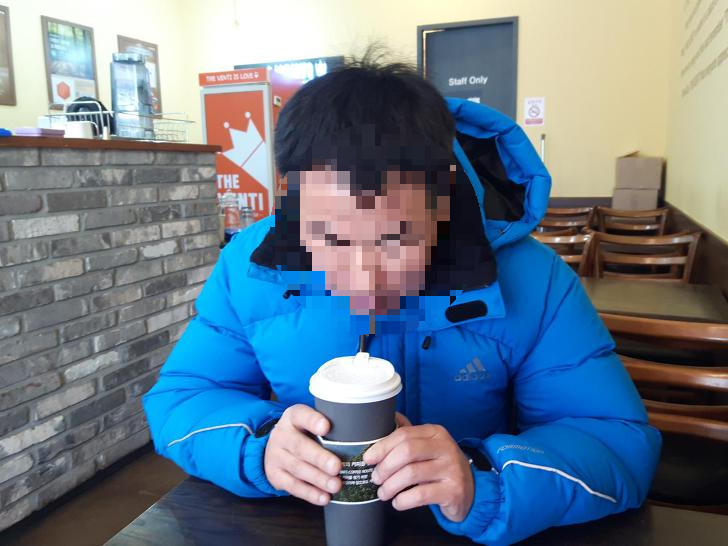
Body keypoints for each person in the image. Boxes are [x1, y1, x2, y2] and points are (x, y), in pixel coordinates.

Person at [143, 55, 661, 545]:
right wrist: (259, 448)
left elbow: (617, 443)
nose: (363, 278)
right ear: (292, 196)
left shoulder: (535, 279)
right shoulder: (248, 267)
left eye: (395, 239)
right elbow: (183, 397)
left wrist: (483, 478)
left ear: (443, 199)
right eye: (331, 237)